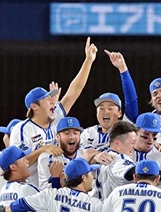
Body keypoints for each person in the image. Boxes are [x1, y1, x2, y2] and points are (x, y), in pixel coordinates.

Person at [10, 38, 98, 185]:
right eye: (47, 99)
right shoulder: (21, 129)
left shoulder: (55, 116)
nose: (52, 101)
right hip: (32, 189)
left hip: (57, 188)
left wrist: (88, 60)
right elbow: (16, 165)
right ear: (34, 106)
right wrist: (42, 150)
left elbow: (74, 91)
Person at [81, 50, 139, 150]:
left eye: (110, 108)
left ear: (120, 113)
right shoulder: (87, 133)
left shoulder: (125, 129)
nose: (105, 112)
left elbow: (131, 100)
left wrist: (122, 68)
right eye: (101, 108)